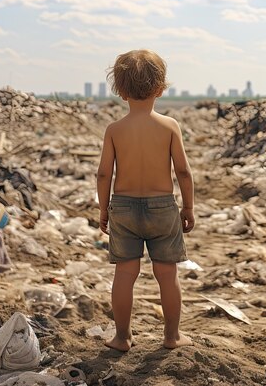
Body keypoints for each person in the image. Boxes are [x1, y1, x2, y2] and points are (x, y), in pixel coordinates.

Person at [97, 49, 195, 352]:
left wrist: (104, 209)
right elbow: (183, 171)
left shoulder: (114, 130)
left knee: (125, 274)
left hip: (123, 208)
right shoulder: (169, 126)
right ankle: (171, 337)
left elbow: (104, 175)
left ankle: (122, 337)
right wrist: (188, 206)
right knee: (167, 274)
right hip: (162, 207)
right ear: (161, 89)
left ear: (120, 91)